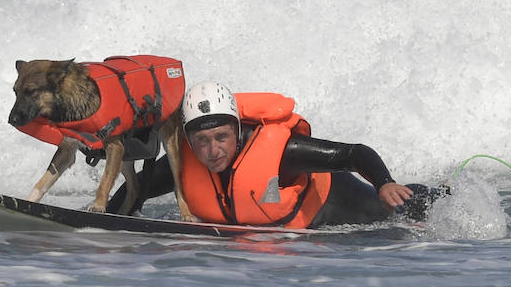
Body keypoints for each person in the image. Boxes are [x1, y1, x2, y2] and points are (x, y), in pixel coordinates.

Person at [108, 81, 436, 227]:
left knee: (399, 209)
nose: (213, 150)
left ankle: (441, 193)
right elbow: (139, 187)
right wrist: (108, 218)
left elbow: (352, 153)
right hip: (280, 220)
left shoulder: (282, 153)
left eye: (221, 137)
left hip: (333, 202)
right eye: (202, 141)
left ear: (237, 129)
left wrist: (384, 182)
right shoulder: (188, 159)